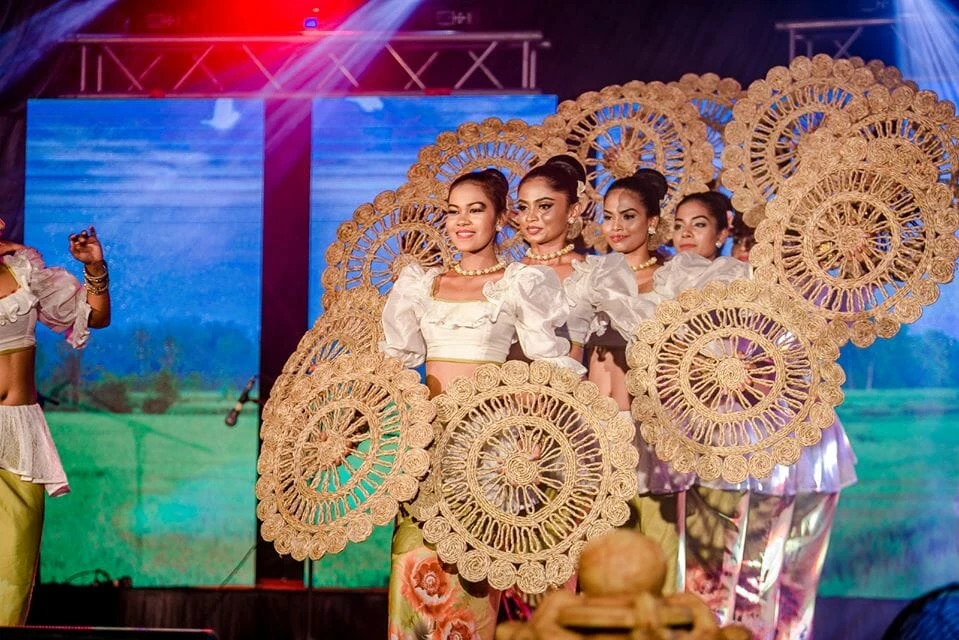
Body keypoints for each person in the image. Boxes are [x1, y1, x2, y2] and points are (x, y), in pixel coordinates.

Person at [380, 168, 584, 640]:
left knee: (469, 591)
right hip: (427, 451)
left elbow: (550, 367)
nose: (462, 222)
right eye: (453, 211)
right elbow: (393, 364)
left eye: (476, 210)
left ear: (500, 217)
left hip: (488, 456)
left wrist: (534, 437)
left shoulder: (518, 283)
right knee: (412, 567)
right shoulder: (420, 285)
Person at [670, 192, 857, 640]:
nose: (756, 250)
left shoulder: (811, 292)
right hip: (733, 433)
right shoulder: (715, 282)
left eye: (772, 241)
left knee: (785, 575)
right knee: (719, 572)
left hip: (802, 439)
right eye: (750, 239)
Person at [0, 224, 111, 625]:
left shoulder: (25, 269)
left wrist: (95, 268)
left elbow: (95, 317)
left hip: (19, 435)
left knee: (11, 576)